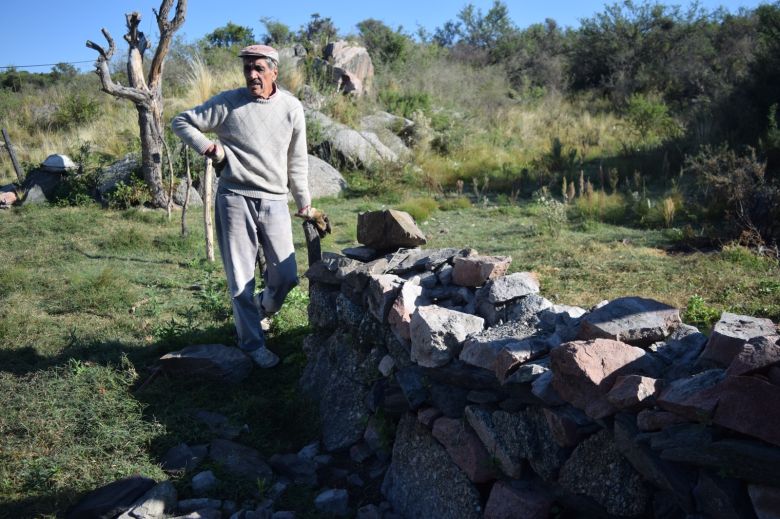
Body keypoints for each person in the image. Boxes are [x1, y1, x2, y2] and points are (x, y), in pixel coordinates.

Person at [172, 44, 323, 368]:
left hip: (275, 199)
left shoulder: (291, 108)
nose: (252, 75)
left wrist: (305, 203)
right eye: (247, 69)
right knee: (240, 280)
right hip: (234, 197)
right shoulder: (228, 103)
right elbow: (182, 121)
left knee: (285, 276)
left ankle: (262, 309)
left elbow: (297, 161)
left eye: (259, 69)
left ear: (274, 71)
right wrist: (209, 147)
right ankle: (252, 345)